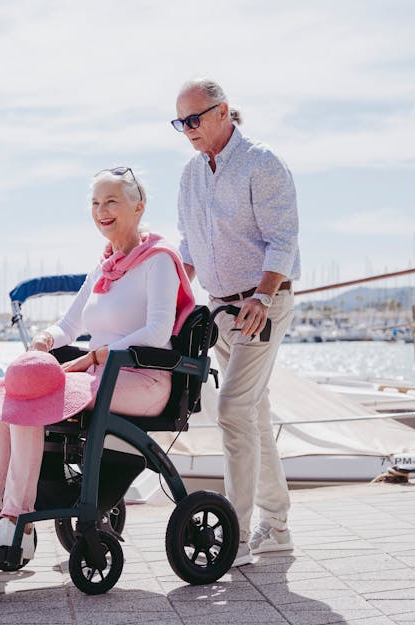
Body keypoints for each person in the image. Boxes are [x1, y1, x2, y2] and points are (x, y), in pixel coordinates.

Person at [0, 167, 195, 559]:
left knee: (33, 398)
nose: (102, 210)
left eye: (111, 201)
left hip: (144, 379)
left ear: (139, 206)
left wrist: (99, 355)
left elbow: (157, 331)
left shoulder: (160, 260)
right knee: (9, 395)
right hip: (104, 376)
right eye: (96, 203)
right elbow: (70, 323)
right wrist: (46, 339)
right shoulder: (104, 266)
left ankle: (17, 521)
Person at [172, 78, 300, 567]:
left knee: (230, 409)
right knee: (252, 415)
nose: (187, 130)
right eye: (180, 123)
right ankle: (279, 524)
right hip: (220, 308)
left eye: (194, 119)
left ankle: (237, 535)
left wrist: (263, 296)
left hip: (261, 307)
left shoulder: (262, 163)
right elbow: (188, 245)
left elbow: (283, 239)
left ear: (222, 112)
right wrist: (175, 296)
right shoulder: (190, 175)